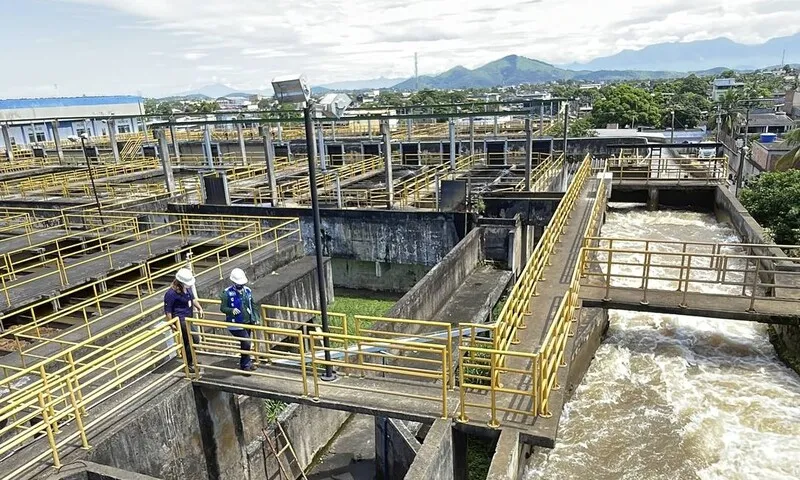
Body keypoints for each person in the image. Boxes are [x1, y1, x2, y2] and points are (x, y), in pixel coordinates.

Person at [219, 268, 260, 371]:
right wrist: (231, 310)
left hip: (247, 321)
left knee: (245, 343)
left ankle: (246, 362)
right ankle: (245, 364)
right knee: (246, 341)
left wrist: (256, 317)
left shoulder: (247, 291)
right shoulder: (227, 293)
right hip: (235, 324)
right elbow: (222, 308)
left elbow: (253, 305)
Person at [164, 268, 204, 371]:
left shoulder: (187, 289)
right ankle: (189, 363)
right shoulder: (171, 293)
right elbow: (168, 310)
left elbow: (192, 299)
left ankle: (190, 361)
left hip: (188, 318)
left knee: (188, 341)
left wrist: (199, 308)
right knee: (193, 339)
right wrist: (171, 323)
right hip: (180, 319)